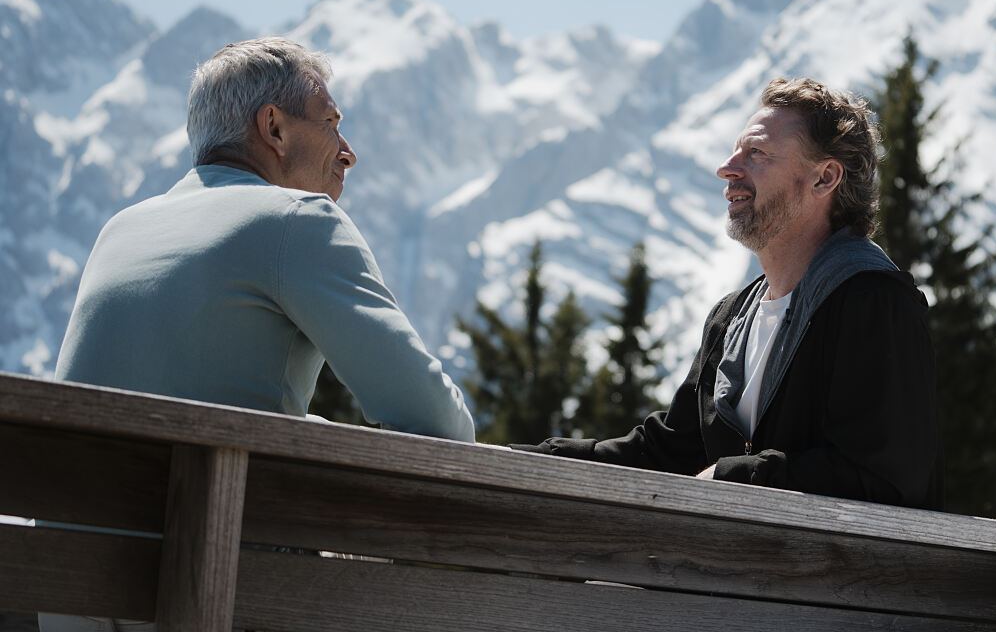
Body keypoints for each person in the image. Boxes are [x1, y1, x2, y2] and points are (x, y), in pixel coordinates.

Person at [513, 77, 941, 510]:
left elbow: (885, 477)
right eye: (736, 151)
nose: (727, 168)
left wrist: (731, 477)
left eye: (756, 153)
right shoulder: (731, 318)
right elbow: (669, 454)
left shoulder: (874, 302)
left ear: (824, 177)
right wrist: (525, 459)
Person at [54, 37, 474, 442]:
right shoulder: (299, 219)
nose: (348, 153)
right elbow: (441, 424)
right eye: (330, 124)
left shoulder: (119, 230)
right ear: (274, 128)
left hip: (67, 491)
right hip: (211, 493)